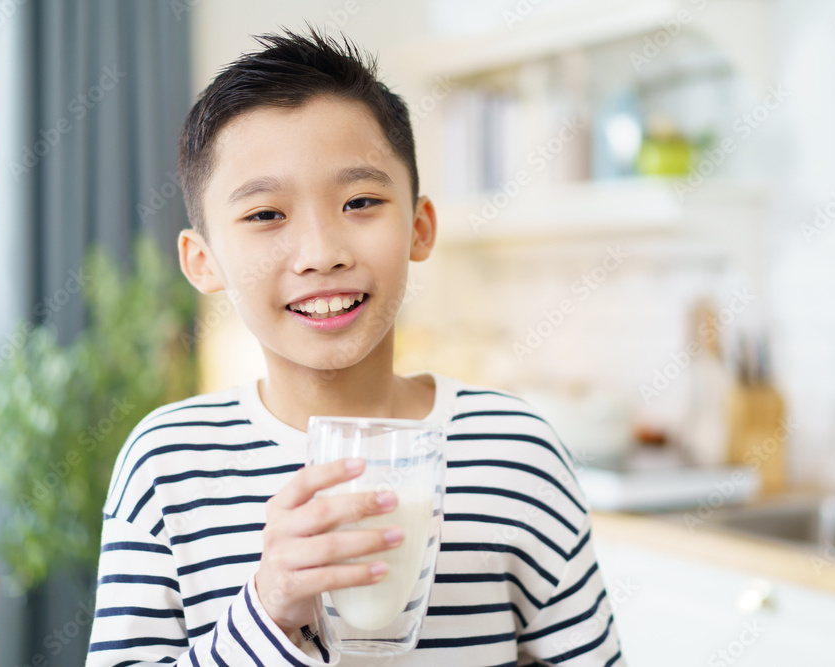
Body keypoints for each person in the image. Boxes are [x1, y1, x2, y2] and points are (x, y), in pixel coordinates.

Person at [85, 22, 623, 667]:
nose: (321, 254)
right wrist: (269, 609)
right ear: (204, 262)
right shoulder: (167, 464)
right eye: (265, 215)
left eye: (361, 201)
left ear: (421, 226)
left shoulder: (515, 448)